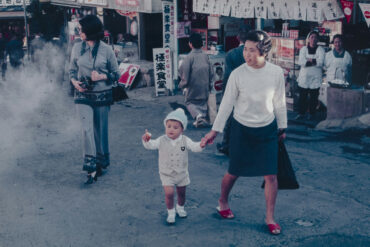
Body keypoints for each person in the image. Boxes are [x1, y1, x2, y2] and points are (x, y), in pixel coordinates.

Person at [201, 30, 287, 235]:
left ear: (264, 51)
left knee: (271, 175)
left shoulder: (275, 73)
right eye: (245, 50)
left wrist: (282, 126)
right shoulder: (238, 74)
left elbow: (279, 102)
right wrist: (215, 131)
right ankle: (222, 201)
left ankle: (270, 217)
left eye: (251, 50)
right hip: (241, 128)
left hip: (267, 128)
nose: (246, 55)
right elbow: (226, 105)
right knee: (234, 172)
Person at [69, 15, 120, 184]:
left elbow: (117, 75)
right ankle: (91, 167)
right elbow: (71, 70)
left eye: (81, 29)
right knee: (86, 129)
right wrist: (75, 82)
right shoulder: (76, 48)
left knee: (100, 131)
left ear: (90, 30)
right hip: (82, 95)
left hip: (102, 95)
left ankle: (101, 161)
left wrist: (102, 76)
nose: (79, 31)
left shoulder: (106, 49)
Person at [142, 108, 205, 224]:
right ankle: (170, 212)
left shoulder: (185, 140)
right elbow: (151, 145)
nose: (171, 129)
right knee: (169, 193)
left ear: (182, 130)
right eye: (169, 126)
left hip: (181, 173)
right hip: (166, 173)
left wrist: (201, 144)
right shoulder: (161, 140)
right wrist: (146, 140)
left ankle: (180, 207)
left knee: (181, 193)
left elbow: (195, 147)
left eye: (175, 127)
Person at [216, 29, 248, 156]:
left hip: (235, 90)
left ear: (238, 38)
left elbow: (228, 76)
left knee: (230, 118)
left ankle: (227, 145)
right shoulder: (256, 53)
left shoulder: (232, 54)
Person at [178, 33, 213, 127]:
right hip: (205, 86)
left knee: (189, 102)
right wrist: (210, 84)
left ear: (190, 44)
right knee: (202, 102)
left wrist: (182, 84)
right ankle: (200, 117)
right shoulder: (205, 56)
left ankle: (198, 116)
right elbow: (211, 72)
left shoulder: (189, 57)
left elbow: (184, 73)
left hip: (193, 86)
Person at [296, 31, 325, 120]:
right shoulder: (303, 49)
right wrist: (314, 61)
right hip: (304, 77)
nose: (313, 39)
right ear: (308, 39)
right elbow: (301, 62)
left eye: (315, 37)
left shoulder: (321, 50)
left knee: (314, 97)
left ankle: (312, 114)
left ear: (318, 39)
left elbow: (321, 62)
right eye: (312, 37)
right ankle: (301, 113)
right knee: (303, 97)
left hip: (315, 78)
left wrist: (309, 60)